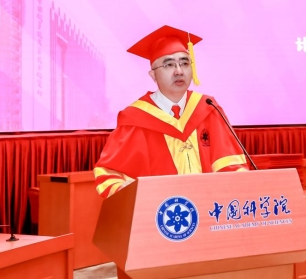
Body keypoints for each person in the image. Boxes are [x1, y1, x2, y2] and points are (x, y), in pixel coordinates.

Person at [93, 25, 248, 198]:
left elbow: (230, 165)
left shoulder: (208, 108)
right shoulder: (136, 118)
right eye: (169, 65)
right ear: (153, 75)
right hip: (159, 211)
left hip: (209, 208)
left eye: (184, 63)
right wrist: (132, 192)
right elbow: (109, 175)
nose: (179, 71)